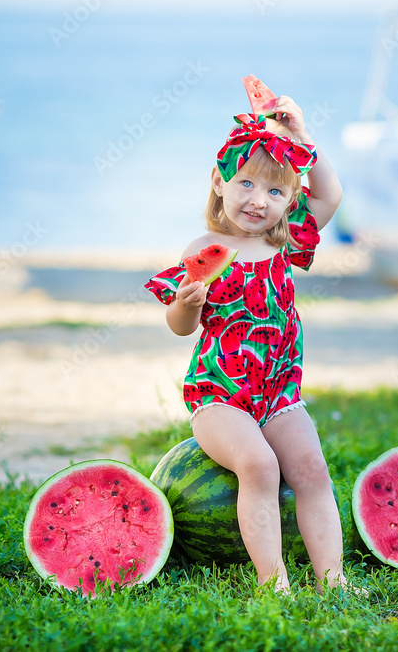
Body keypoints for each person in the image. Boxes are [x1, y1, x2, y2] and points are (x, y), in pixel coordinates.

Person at [145, 95, 354, 594]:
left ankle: (334, 579)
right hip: (219, 394)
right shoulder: (204, 251)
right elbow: (179, 327)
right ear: (219, 182)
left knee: (312, 469)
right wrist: (188, 303)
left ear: (288, 200)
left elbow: (331, 197)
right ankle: (272, 581)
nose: (259, 199)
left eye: (275, 191)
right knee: (258, 465)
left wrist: (302, 138)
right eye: (245, 183)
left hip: (279, 394)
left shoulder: (284, 240)